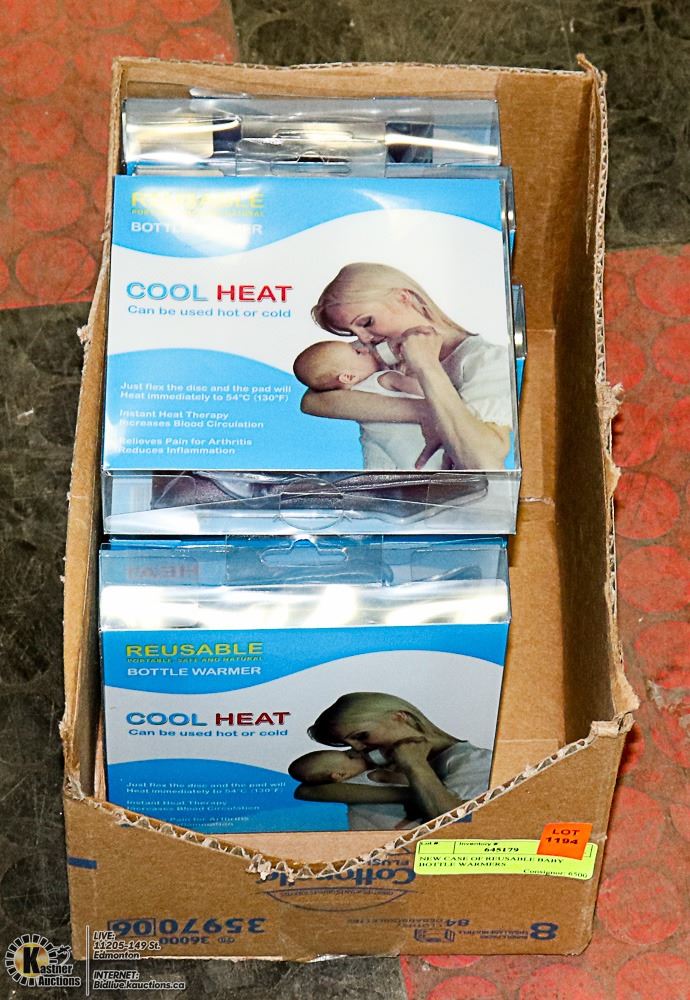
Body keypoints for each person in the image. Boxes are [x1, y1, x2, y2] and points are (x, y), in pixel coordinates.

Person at [304, 263, 513, 470]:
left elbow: (483, 463)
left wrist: (426, 365)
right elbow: (312, 401)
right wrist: (426, 412)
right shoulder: (374, 353)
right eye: (352, 333)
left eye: (367, 322)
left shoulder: (485, 360)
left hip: (446, 490)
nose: (364, 339)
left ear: (403, 297)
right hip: (385, 489)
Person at [306, 692, 492, 823]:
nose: (356, 748)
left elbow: (455, 825)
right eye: (346, 743)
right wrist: (410, 795)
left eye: (362, 736)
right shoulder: (381, 758)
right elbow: (307, 790)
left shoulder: (474, 760)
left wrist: (415, 765)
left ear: (400, 716)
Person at [292, 339, 435, 470]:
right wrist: (413, 369)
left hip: (401, 461)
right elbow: (429, 390)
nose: (365, 349)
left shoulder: (350, 398)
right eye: (358, 352)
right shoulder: (385, 378)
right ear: (348, 377)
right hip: (425, 453)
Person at [288, 748, 415, 830]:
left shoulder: (339, 788)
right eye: (349, 757)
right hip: (402, 824)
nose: (355, 754)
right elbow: (410, 779)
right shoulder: (372, 775)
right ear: (340, 774)